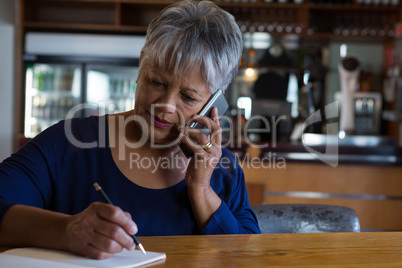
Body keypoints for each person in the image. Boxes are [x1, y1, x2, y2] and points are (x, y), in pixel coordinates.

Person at [0, 0, 260, 260]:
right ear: (141, 65)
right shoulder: (71, 142)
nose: (165, 106)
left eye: (189, 98)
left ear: (214, 103)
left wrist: (202, 189)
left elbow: (248, 256)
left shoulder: (222, 169)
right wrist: (66, 230)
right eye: (156, 82)